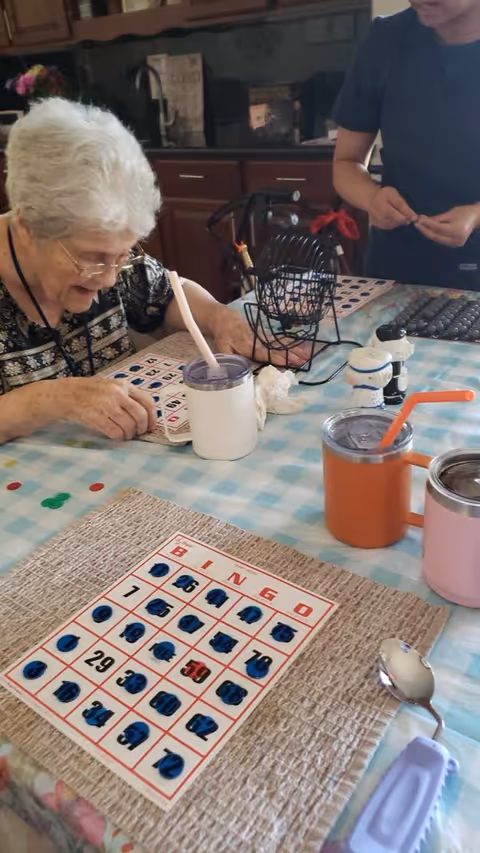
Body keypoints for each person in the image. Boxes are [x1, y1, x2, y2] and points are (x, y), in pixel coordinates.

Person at [0, 98, 307, 445]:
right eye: (93, 258)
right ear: (27, 228)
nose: (109, 279)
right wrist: (52, 399)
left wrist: (220, 319)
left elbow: (165, 294)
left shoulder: (107, 256)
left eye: (122, 256)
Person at [332, 0, 480, 289]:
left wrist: (475, 215)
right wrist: (372, 198)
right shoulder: (386, 40)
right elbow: (345, 163)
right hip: (397, 269)